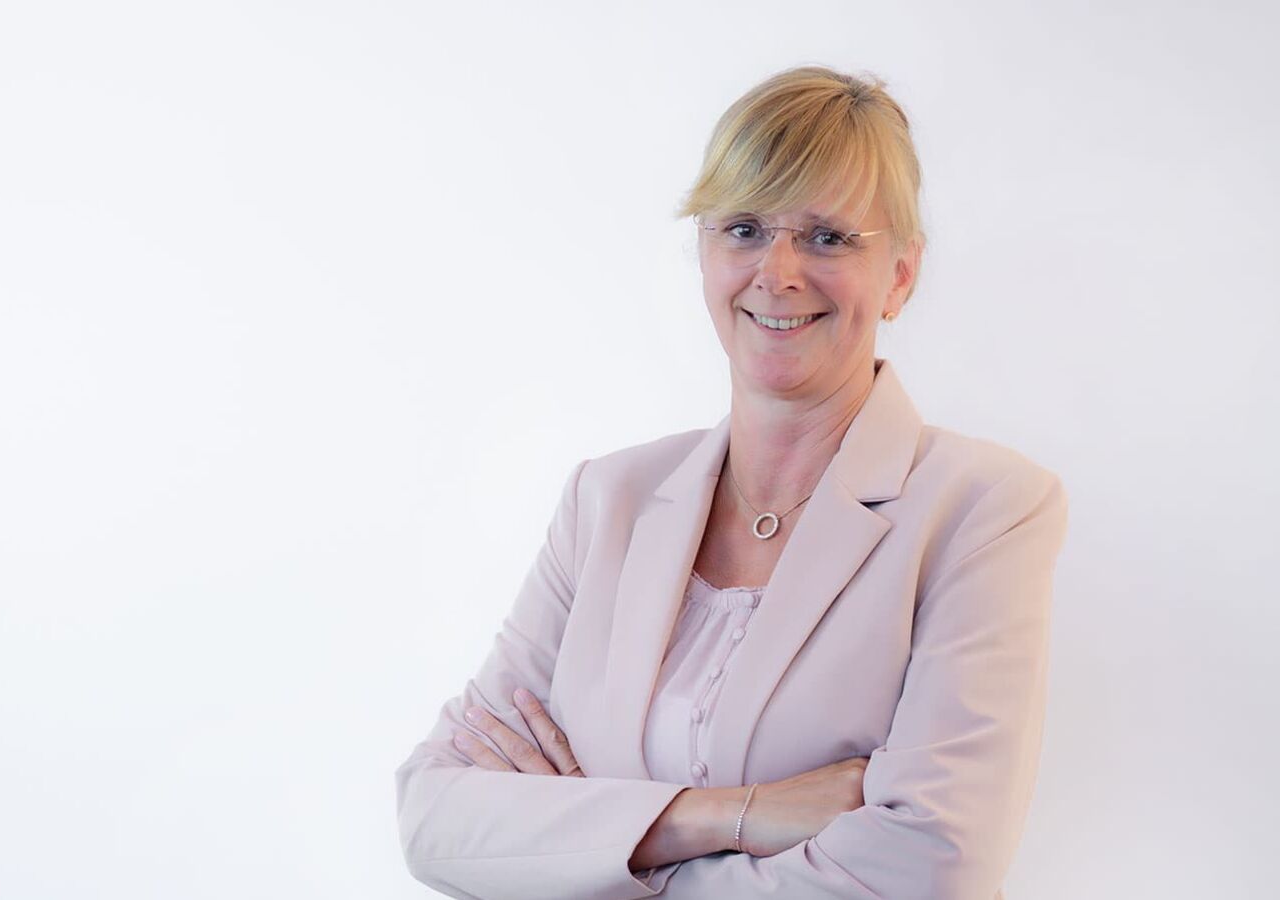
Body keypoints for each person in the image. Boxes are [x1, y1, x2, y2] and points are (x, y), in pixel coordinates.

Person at [393, 65, 1069, 900]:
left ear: (899, 274)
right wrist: (728, 816)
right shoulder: (607, 500)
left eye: (826, 236)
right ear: (705, 252)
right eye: (743, 228)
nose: (776, 272)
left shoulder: (983, 510)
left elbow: (934, 865)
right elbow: (435, 818)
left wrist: (584, 845)